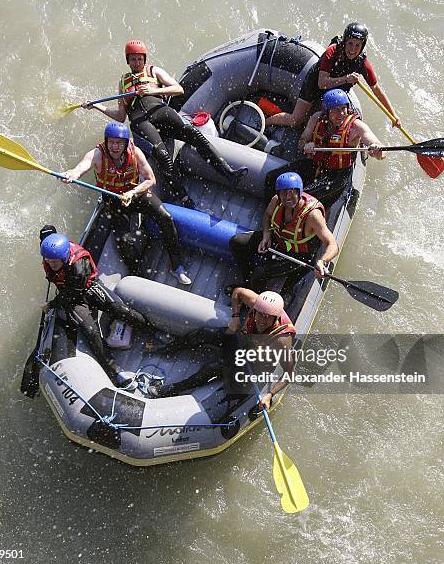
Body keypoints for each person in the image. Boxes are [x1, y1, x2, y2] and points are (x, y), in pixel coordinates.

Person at [82, 39, 247, 206]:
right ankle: (182, 196)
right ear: (128, 61)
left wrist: (154, 90)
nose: (137, 63)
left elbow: (178, 89)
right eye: (133, 59)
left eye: (140, 59)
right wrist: (97, 106)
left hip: (159, 110)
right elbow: (120, 116)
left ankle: (229, 173)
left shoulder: (154, 71)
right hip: (140, 121)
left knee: (195, 135)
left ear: (144, 59)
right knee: (162, 156)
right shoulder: (123, 82)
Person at [62, 121, 191, 285]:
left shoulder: (135, 152)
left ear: (125, 143)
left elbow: (151, 179)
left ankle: (176, 265)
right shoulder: (97, 154)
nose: (114, 147)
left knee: (166, 218)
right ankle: (141, 274)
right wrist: (73, 173)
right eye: (111, 142)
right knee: (124, 243)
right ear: (106, 141)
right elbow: (82, 166)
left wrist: (132, 192)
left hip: (136, 194)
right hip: (115, 202)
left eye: (119, 143)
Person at [149, 289, 295, 411]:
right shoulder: (255, 302)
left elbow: (289, 374)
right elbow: (237, 292)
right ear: (255, 309)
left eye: (268, 318)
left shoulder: (282, 340)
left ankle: (171, 389)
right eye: (260, 315)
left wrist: (270, 394)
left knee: (211, 368)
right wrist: (236, 317)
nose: (262, 321)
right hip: (242, 341)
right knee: (203, 334)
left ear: (275, 318)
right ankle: (168, 349)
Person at [40, 232, 152, 386]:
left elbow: (72, 294)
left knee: (120, 310)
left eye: (54, 261)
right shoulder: (51, 255)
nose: (51, 264)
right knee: (91, 332)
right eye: (48, 260)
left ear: (64, 256)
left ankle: (150, 330)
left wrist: (51, 304)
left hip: (86, 289)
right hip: (74, 300)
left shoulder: (78, 266)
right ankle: (113, 367)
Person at [265, 22, 401, 130]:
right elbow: (321, 83)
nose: (352, 49)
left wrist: (393, 116)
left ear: (362, 46)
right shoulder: (332, 52)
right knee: (296, 120)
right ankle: (267, 122)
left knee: (338, 123)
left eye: (357, 45)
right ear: (345, 42)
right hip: (314, 85)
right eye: (350, 43)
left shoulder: (363, 63)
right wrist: (346, 79)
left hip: (335, 91)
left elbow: (377, 90)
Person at [264, 89, 386, 207]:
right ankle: (271, 212)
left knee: (299, 199)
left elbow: (379, 150)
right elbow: (301, 142)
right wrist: (306, 145)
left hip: (336, 175)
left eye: (343, 108)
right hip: (313, 165)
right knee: (272, 178)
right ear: (327, 111)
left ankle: (288, 218)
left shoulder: (356, 126)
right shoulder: (316, 118)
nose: (341, 114)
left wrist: (376, 149)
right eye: (336, 110)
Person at [231, 172, 339, 293]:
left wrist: (322, 261)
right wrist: (266, 236)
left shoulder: (313, 215)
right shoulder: (276, 201)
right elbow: (267, 215)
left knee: (260, 273)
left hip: (298, 255)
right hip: (277, 240)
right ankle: (247, 283)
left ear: (299, 192)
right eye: (283, 193)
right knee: (236, 242)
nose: (288, 197)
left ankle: (257, 298)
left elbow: (332, 244)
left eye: (291, 192)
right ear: (278, 193)